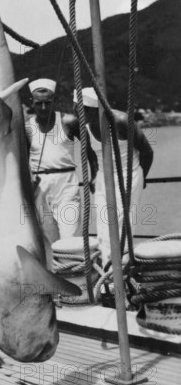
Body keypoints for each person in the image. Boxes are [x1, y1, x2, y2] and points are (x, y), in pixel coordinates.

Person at [73, 87, 154, 265]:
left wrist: (142, 178)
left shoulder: (121, 121)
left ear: (89, 109)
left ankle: (123, 270)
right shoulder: (85, 127)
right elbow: (92, 154)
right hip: (103, 177)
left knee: (123, 226)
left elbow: (147, 151)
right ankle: (107, 272)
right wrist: (94, 174)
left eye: (77, 108)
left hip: (129, 175)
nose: (74, 113)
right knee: (103, 228)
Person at [25, 79, 98, 253]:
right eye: (38, 103)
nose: (43, 108)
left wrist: (94, 176)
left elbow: (90, 152)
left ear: (55, 101)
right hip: (39, 186)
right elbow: (23, 159)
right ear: (31, 102)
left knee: (69, 237)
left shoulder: (69, 121)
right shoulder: (27, 127)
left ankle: (75, 275)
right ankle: (55, 276)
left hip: (66, 185)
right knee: (48, 241)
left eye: (48, 103)